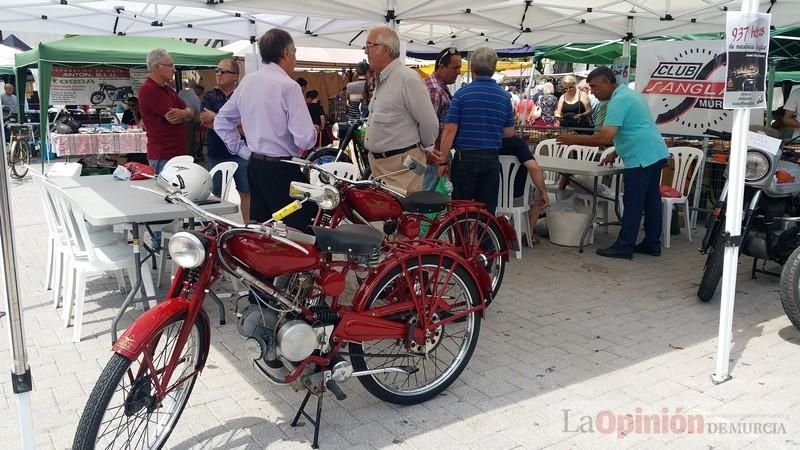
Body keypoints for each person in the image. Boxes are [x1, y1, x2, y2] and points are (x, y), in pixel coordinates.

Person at [557, 66, 668, 259]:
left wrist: (574, 139)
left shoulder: (619, 100)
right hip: (655, 153)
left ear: (607, 83)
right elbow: (636, 128)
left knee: (634, 203)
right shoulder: (630, 95)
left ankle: (624, 246)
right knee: (651, 202)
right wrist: (616, 152)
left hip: (640, 157)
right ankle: (652, 243)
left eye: (594, 86)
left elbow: (605, 137)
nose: (592, 91)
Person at [215, 28, 318, 231]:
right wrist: (313, 131)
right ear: (286, 53)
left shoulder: (247, 82)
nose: (295, 59)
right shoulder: (289, 87)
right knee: (300, 230)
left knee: (263, 230)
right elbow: (305, 140)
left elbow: (221, 121)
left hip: (255, 165)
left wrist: (243, 151)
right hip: (282, 168)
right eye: (294, 53)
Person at [436, 47, 515, 214]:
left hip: (465, 158)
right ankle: (485, 239)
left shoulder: (461, 95)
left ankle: (462, 240)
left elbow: (450, 130)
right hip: (491, 158)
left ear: (472, 67)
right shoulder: (504, 97)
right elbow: (509, 132)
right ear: (493, 69)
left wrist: (443, 161)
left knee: (460, 210)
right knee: (486, 212)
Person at [364, 26, 438, 193]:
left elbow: (429, 122)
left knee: (403, 215)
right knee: (386, 216)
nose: (366, 52)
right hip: (382, 166)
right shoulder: (383, 78)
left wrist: (425, 150)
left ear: (386, 50)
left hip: (403, 166)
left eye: (370, 45)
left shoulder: (407, 79)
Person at [199, 57, 251, 223]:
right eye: (217, 71)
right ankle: (217, 227)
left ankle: (247, 227)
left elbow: (247, 123)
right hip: (217, 151)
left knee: (246, 191)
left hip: (242, 152)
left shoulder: (244, 95)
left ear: (235, 76)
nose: (218, 74)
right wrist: (232, 124)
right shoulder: (209, 95)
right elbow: (205, 121)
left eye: (223, 71)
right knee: (217, 193)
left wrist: (217, 118)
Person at [138, 48, 194, 174]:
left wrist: (184, 113)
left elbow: (190, 112)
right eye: (170, 66)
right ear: (157, 67)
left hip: (175, 154)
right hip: (164, 156)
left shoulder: (168, 89)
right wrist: (185, 113)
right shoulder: (149, 90)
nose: (174, 70)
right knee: (166, 193)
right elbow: (174, 118)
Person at [422, 46, 462, 191]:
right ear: (441, 67)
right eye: (455, 67)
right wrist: (440, 160)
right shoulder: (434, 89)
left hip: (433, 156)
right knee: (426, 200)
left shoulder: (436, 86)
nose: (458, 72)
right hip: (434, 157)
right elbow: (429, 128)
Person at [499, 136, 549, 244]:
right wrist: (543, 192)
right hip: (517, 199)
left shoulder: (489, 141)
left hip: (493, 197)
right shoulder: (517, 143)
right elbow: (534, 168)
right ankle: (528, 234)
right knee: (539, 193)